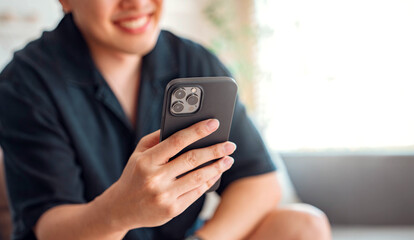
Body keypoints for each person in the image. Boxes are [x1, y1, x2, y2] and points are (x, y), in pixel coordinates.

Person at [0, 0, 331, 239]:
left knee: (305, 225)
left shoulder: (193, 60)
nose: (137, 3)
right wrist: (120, 211)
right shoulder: (24, 83)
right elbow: (51, 227)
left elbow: (259, 180)